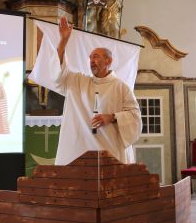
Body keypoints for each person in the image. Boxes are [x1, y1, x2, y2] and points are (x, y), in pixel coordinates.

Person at [54, 16, 141, 165]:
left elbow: (135, 118)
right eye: (90, 58)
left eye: (96, 57)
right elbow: (60, 73)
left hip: (111, 152)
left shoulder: (121, 87)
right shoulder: (79, 82)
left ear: (108, 61)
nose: (91, 61)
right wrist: (63, 41)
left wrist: (112, 117)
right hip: (82, 153)